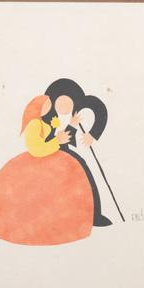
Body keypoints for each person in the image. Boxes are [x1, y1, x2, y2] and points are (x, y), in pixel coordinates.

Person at [0, 95, 94, 245]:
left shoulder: (43, 122)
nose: (50, 106)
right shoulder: (34, 124)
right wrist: (57, 140)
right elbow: (36, 149)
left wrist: (70, 127)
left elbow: (54, 139)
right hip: (38, 162)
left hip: (50, 159)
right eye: (46, 104)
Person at [43, 78, 112, 227]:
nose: (64, 106)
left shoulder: (75, 113)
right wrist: (72, 126)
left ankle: (93, 214)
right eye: (60, 102)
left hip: (66, 155)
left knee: (83, 175)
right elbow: (52, 140)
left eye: (67, 102)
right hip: (51, 156)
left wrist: (93, 134)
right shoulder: (48, 118)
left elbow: (98, 107)